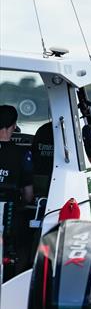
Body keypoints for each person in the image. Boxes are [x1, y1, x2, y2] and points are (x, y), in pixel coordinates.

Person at [0, 105, 33, 279]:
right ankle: (13, 280)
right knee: (25, 242)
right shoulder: (22, 154)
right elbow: (28, 195)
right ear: (13, 126)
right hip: (9, 217)